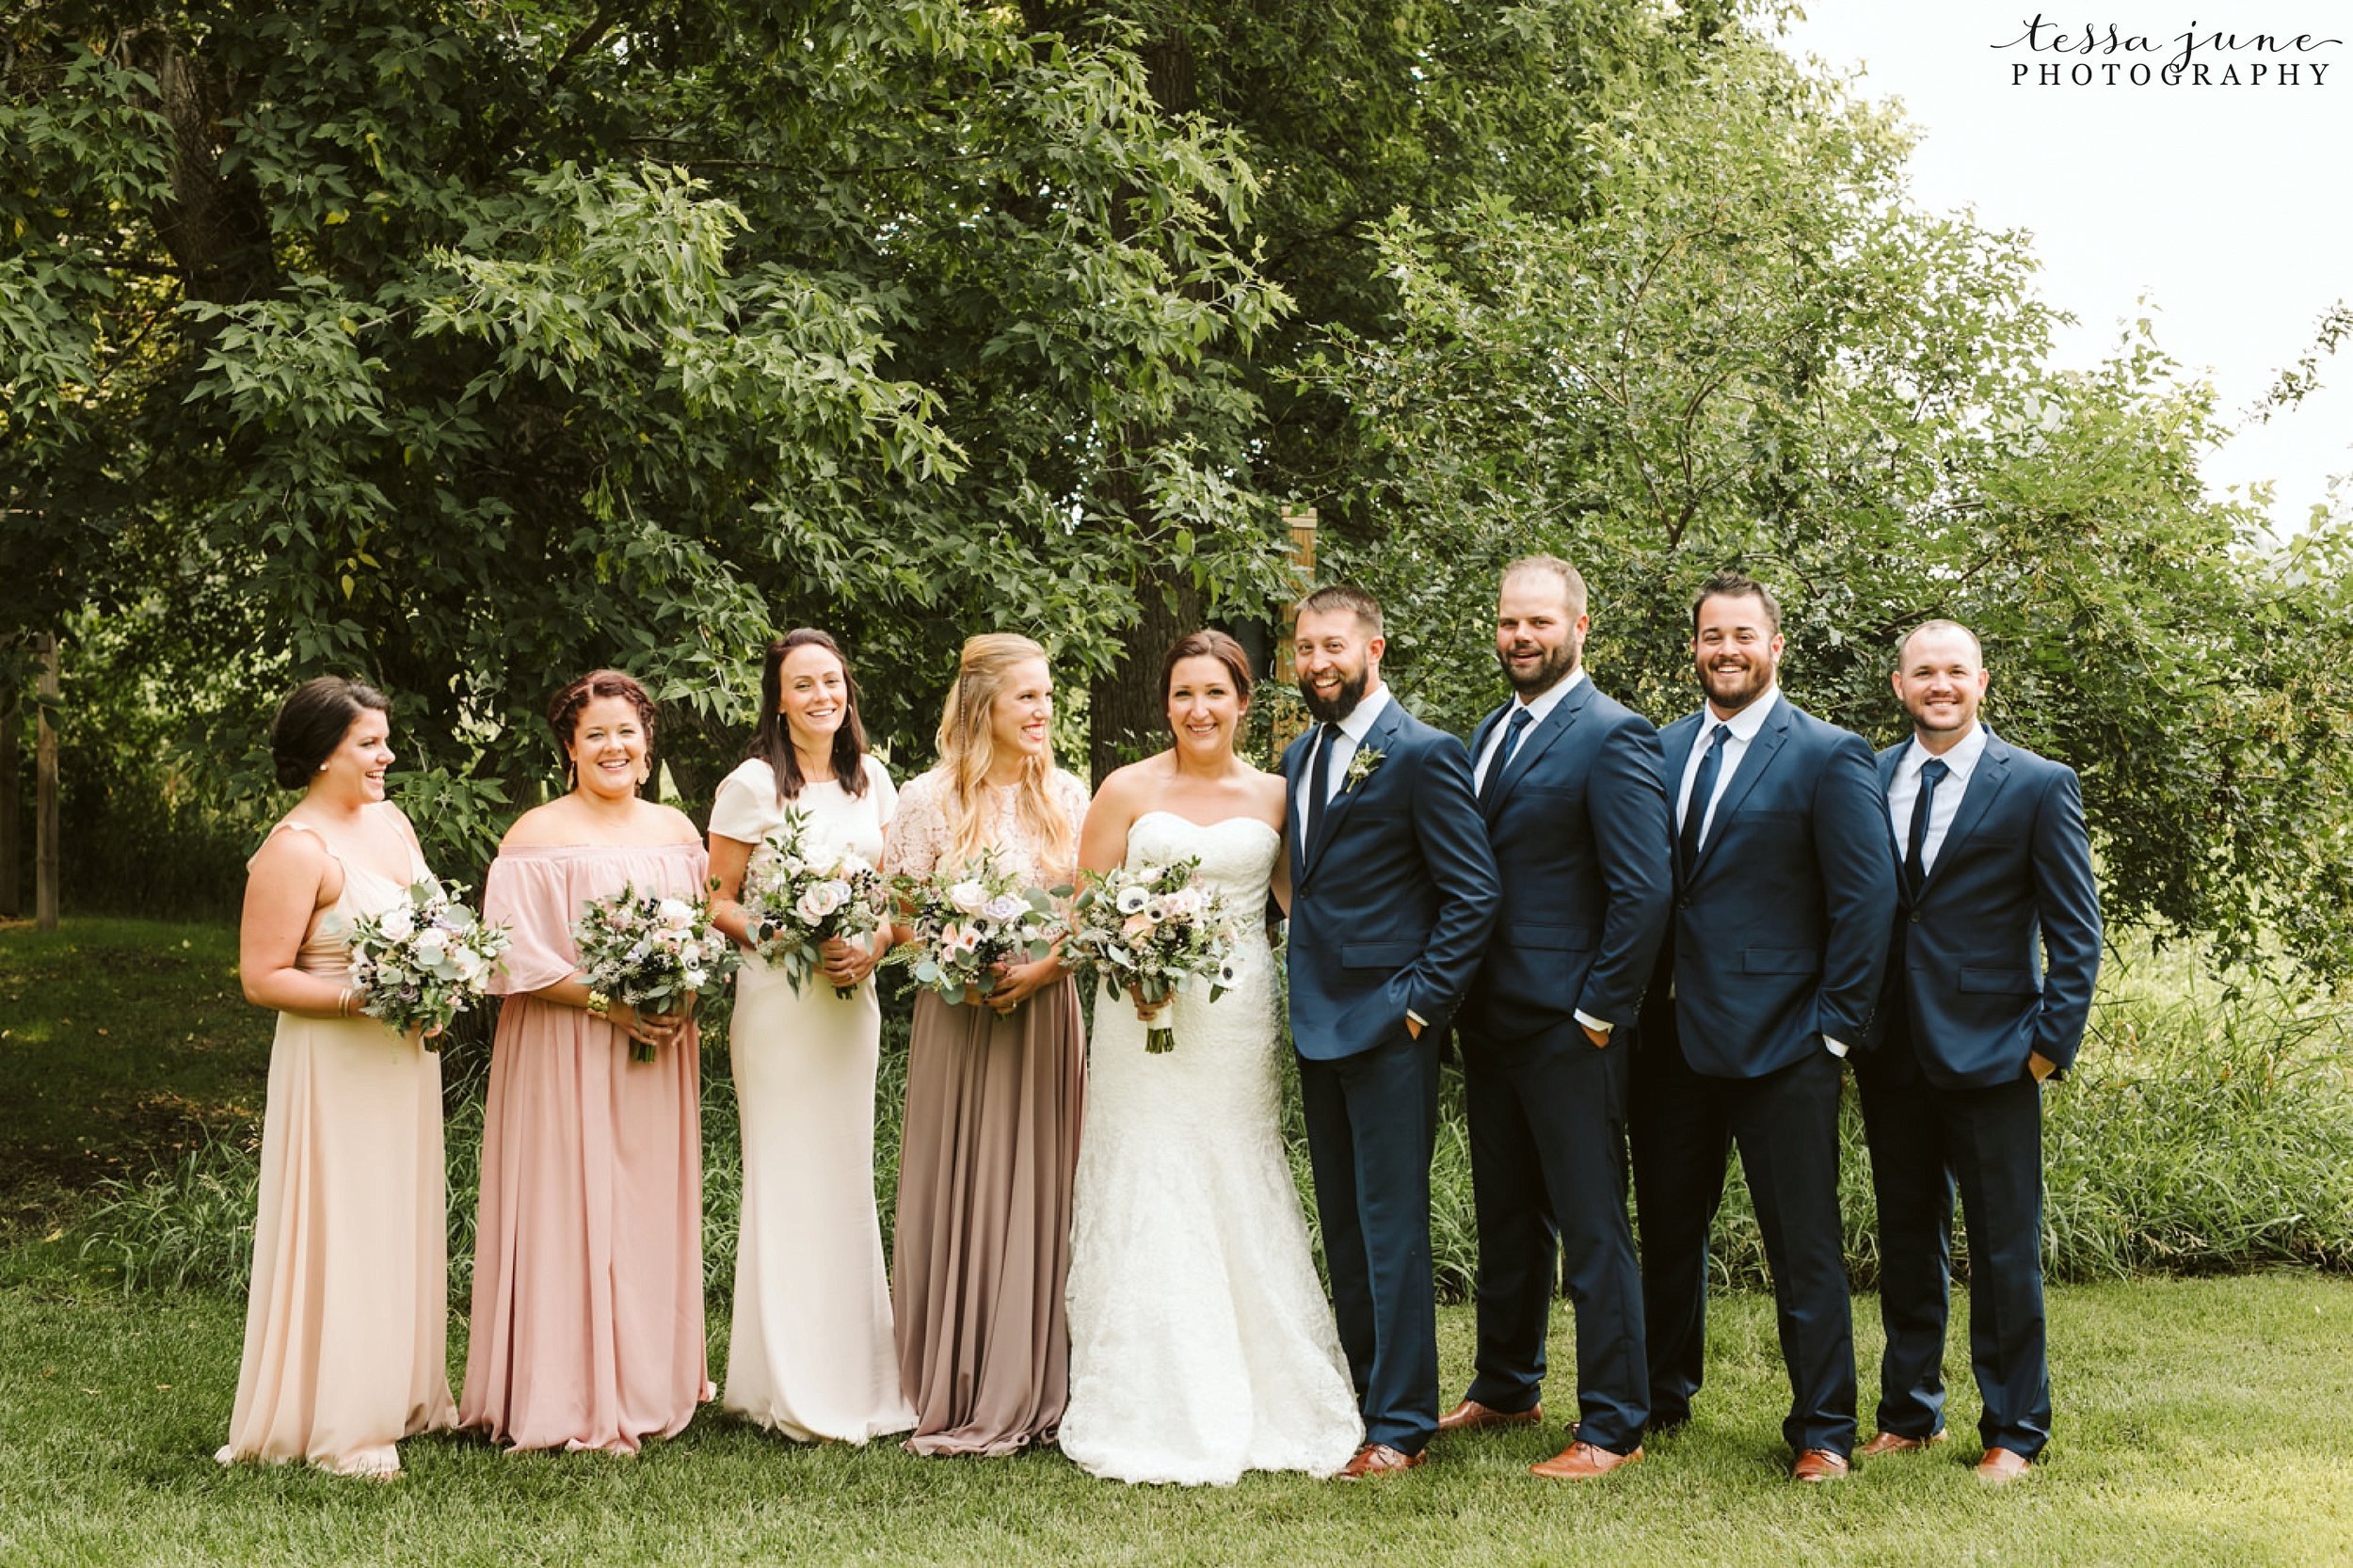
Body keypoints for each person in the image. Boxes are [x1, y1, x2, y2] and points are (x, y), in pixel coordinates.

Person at [1060, 630, 1364, 1485]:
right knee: (1147, 1169)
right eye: (1184, 694)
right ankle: (1148, 1387)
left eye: (1216, 694)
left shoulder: (1277, 794)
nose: (1199, 710)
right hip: (1140, 1018)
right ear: (1166, 704)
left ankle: (1264, 1381)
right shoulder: (1125, 789)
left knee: (1235, 1165)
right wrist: (1135, 965)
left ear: (1243, 702)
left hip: (1236, 1020)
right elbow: (1083, 915)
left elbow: (1308, 910)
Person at [1631, 570, 1897, 1482]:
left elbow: (1866, 900)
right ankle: (1659, 1397)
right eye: (1711, 636)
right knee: (1665, 1227)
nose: (1726, 650)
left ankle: (1822, 1428)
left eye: (1743, 635)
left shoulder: (1826, 753)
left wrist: (1833, 1029)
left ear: (1774, 646)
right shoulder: (1657, 749)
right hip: (1670, 1041)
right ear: (1694, 647)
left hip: (1787, 1041)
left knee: (1802, 1242)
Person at [1854, 620, 2100, 1483]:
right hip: (1894, 1054)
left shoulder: (2036, 785)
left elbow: (2077, 933)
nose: (1940, 685)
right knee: (1908, 1238)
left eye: (1956, 671)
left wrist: (2046, 1050)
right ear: (1899, 685)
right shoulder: (1871, 774)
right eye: (1924, 673)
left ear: (1982, 682)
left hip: (1998, 1057)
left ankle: (2015, 1431)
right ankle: (1909, 1414)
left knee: (2003, 1249)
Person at [1443, 557, 1672, 1480]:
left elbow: (1643, 889)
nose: (1520, 637)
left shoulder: (1613, 734)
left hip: (1570, 1025)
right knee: (1505, 1216)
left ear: (1581, 625)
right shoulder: (1488, 731)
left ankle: (1613, 1421)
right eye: (1507, 622)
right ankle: (1505, 1384)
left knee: (1591, 1224)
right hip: (1490, 1021)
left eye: (1538, 621)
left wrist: (1597, 1011)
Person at [458, 669, 713, 1453]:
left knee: (643, 1206)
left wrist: (678, 1002)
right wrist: (611, 1005)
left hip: (658, 1048)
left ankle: (648, 1379)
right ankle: (561, 1390)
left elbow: (700, 940)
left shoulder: (677, 832)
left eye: (626, 732)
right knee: (565, 1201)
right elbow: (513, 962)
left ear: (647, 746)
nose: (614, 746)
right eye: (595, 733)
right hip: (563, 1045)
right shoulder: (534, 836)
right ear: (570, 747)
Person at [1283, 585, 1500, 1477]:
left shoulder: (1423, 753)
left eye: (1333, 645)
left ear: (1375, 650)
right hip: (1314, 1021)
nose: (1317, 662)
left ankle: (1403, 1423)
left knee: (1392, 1223)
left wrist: (1420, 1004)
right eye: (1303, 649)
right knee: (1342, 1220)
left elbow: (1473, 893)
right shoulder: (1299, 755)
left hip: (1389, 1027)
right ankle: (1364, 1395)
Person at [219, 677, 456, 1479]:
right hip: (334, 1061)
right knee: (346, 1222)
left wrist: (440, 983)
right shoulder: (294, 850)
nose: (387, 755)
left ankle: (404, 1393)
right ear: (324, 752)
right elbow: (262, 978)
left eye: (385, 740)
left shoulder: (392, 822)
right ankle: (342, 1423)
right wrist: (364, 996)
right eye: (369, 743)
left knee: (399, 1215)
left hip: (401, 1059)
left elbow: (431, 924)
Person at [707, 631, 914, 1444]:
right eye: (804, 684)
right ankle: (780, 1379)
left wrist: (874, 945)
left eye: (833, 680)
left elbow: (899, 898)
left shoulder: (875, 781)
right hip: (779, 1003)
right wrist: (785, 931)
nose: (823, 694)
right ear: (779, 698)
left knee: (843, 1169)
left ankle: (858, 1372)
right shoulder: (751, 784)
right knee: (786, 1174)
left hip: (849, 998)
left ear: (846, 690)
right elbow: (717, 899)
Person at [886, 632, 1091, 1456]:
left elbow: (1089, 909)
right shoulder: (926, 800)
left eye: (1047, 697)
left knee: (1043, 1183)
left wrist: (1042, 969)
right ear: (984, 708)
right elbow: (900, 916)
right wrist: (954, 959)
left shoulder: (1071, 796)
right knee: (955, 1176)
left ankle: (1038, 1374)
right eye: (1027, 698)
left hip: (1044, 1013)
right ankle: (955, 1373)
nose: (1043, 712)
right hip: (958, 1015)